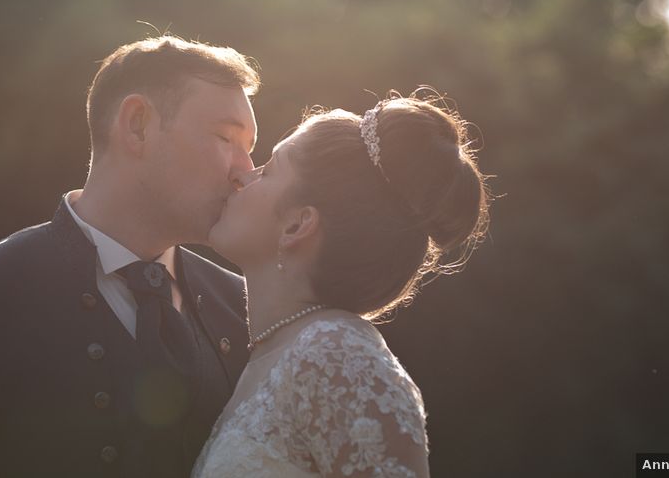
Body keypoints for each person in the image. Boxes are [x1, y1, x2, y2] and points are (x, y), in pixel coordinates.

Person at [0, 35, 261, 478]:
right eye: (227, 138)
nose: (245, 171)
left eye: (250, 146)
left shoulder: (244, 306)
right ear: (137, 125)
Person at [191, 90, 491, 477]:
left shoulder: (338, 356)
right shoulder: (271, 353)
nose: (241, 176)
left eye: (267, 171)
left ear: (297, 225)